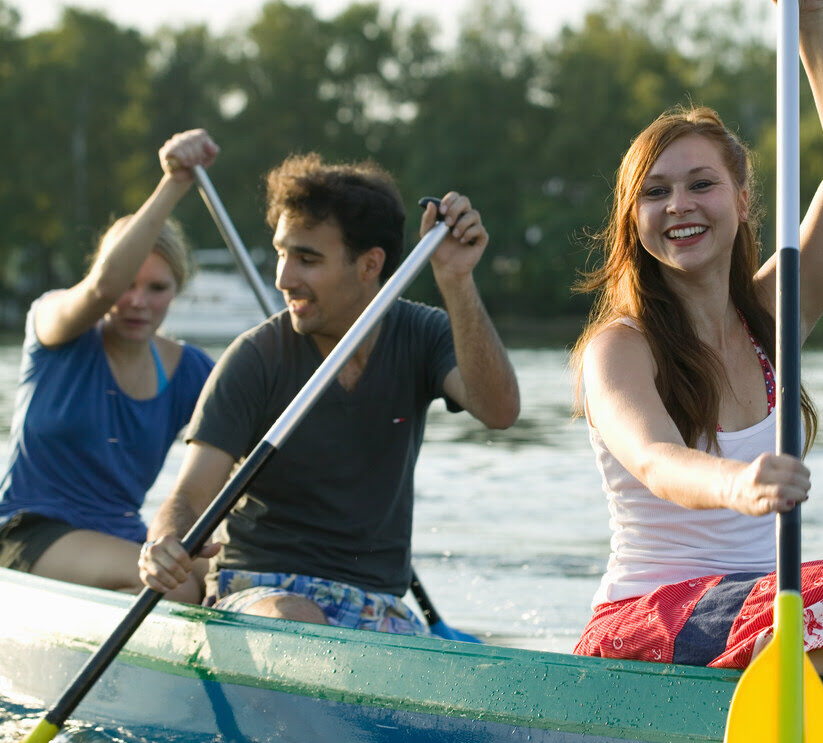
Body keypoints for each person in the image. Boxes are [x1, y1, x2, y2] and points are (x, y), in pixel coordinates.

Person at [570, 1, 823, 683]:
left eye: (701, 184)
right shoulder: (620, 348)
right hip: (642, 622)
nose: (679, 205)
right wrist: (738, 483)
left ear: (743, 200)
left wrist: (810, 23)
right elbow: (657, 461)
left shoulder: (775, 314)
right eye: (655, 193)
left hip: (751, 611)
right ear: (634, 219)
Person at [137, 153, 520, 636]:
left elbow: (500, 411)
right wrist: (166, 544)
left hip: (378, 605)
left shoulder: (423, 334)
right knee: (303, 624)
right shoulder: (255, 358)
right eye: (281, 253)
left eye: (307, 259)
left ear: (370, 265)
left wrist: (457, 280)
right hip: (262, 594)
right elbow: (189, 496)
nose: (283, 277)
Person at [0, 130, 219, 598]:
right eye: (129, 284)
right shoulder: (56, 324)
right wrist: (175, 183)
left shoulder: (190, 369)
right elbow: (101, 289)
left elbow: (244, 447)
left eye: (157, 288)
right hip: (28, 534)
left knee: (223, 585)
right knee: (179, 590)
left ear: (175, 290)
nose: (138, 302)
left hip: (122, 538)